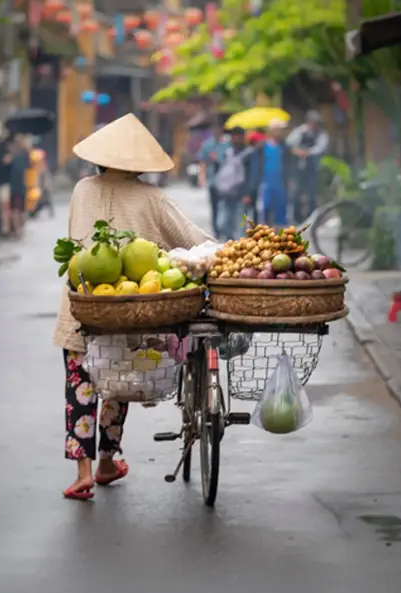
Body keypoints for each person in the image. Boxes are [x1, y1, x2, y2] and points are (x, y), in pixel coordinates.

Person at [53, 114, 214, 500]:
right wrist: (220, 249)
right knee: (114, 380)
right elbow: (192, 240)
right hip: (128, 306)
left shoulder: (81, 190)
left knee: (82, 384)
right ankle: (109, 461)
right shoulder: (151, 198)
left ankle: (84, 471)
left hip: (82, 304)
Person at [214, 126, 258, 241]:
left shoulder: (249, 153)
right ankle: (229, 245)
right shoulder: (226, 152)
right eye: (234, 136)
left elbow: (253, 175)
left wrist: (249, 193)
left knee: (241, 228)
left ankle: (240, 249)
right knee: (223, 224)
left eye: (239, 136)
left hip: (242, 195)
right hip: (227, 194)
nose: (236, 138)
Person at [286, 110, 329, 222]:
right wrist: (296, 151)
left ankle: (312, 217)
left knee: (312, 193)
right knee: (296, 193)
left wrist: (307, 152)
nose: (313, 124)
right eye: (312, 122)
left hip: (312, 167)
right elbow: (289, 143)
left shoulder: (321, 134)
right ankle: (297, 217)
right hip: (298, 167)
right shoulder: (300, 131)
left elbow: (321, 148)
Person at [255, 119, 293, 227]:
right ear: (272, 130)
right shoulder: (261, 146)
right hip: (265, 184)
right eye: (279, 130)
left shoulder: (285, 147)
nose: (281, 132)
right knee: (264, 213)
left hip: (281, 184)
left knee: (281, 214)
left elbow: (290, 165)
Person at [197, 123, 230, 237]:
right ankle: (216, 230)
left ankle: (225, 228)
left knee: (225, 205)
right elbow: (203, 162)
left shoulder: (228, 143)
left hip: (227, 181)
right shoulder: (208, 144)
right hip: (213, 181)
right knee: (214, 206)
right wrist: (201, 177)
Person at [8, 134, 31, 239]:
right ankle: (18, 229)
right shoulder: (17, 156)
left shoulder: (20, 156)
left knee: (19, 210)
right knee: (17, 209)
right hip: (16, 185)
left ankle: (18, 229)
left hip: (19, 185)